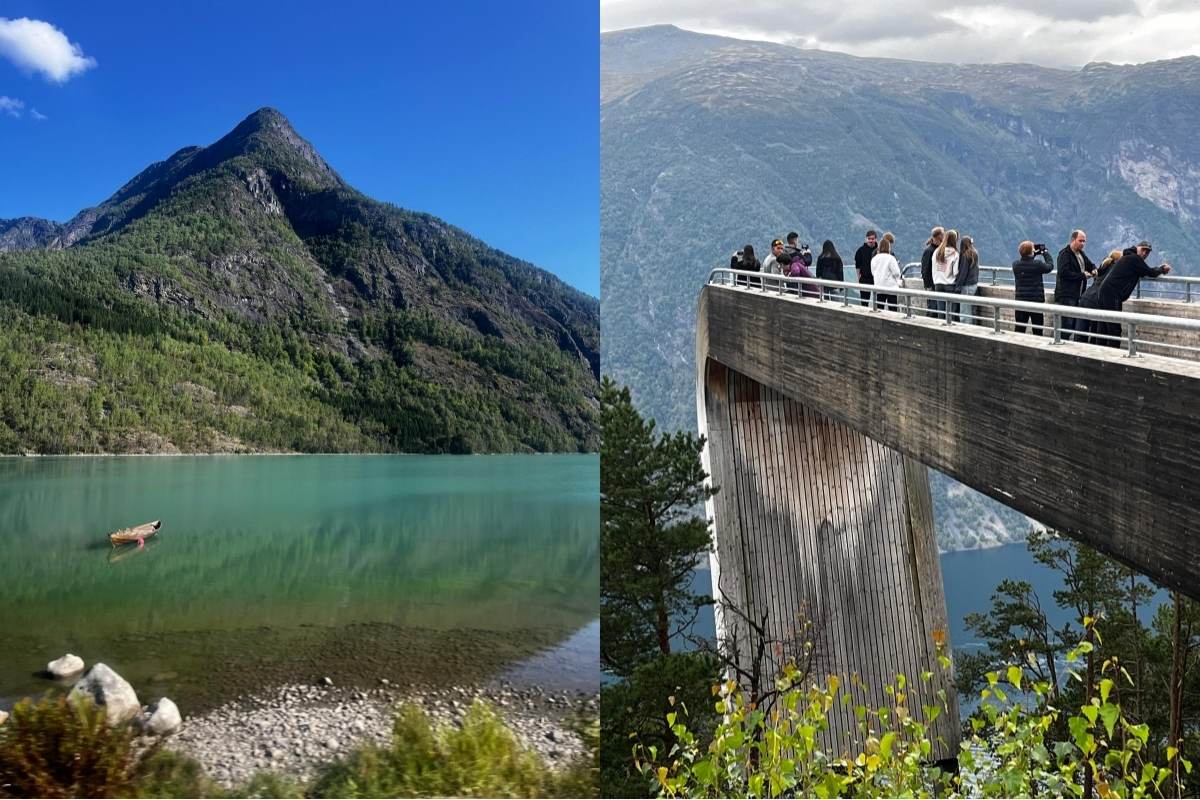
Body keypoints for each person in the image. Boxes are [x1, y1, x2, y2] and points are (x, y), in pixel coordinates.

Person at [1093, 241, 1172, 347]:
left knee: (1103, 326)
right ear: (1137, 248)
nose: (1144, 253)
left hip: (1103, 291)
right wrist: (1162, 269)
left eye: (1147, 252)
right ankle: (1112, 354)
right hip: (1112, 294)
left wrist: (1158, 269)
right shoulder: (1135, 259)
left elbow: (1145, 270)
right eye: (1143, 250)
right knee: (1114, 329)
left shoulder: (1129, 257)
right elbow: (1151, 273)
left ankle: (1100, 352)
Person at [1054, 230, 1097, 342]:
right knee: (1066, 324)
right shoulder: (1065, 254)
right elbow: (1064, 273)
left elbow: (1090, 264)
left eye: (1084, 241)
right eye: (1080, 241)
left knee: (1075, 324)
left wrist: (1093, 269)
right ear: (1073, 240)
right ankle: (1062, 343)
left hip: (1078, 294)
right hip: (1067, 294)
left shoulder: (1081, 254)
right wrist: (1082, 276)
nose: (1082, 243)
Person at [1011, 241, 1054, 335]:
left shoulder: (1015, 265)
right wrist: (1045, 253)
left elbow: (1027, 262)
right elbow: (1050, 266)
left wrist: (1032, 253)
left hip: (1021, 301)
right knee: (1037, 329)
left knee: (1020, 328)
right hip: (1035, 301)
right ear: (1031, 252)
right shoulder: (1037, 264)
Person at [931, 229, 960, 320]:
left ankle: (940, 326)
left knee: (941, 312)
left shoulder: (937, 252)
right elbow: (955, 272)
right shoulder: (955, 254)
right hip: (950, 284)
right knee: (951, 313)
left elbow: (933, 267)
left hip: (938, 283)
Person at [871, 237, 902, 311]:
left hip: (878, 286)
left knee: (879, 308)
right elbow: (896, 273)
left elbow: (873, 272)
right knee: (892, 309)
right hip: (890, 286)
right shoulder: (891, 258)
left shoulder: (874, 259)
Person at [955, 236, 980, 324]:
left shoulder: (965, 255)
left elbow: (963, 273)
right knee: (973, 310)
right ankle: (974, 326)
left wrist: (958, 286)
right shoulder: (975, 254)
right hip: (974, 285)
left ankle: (966, 328)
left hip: (966, 286)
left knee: (965, 312)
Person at [921, 227, 944, 316]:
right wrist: (928, 285)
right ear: (940, 236)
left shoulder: (936, 249)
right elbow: (925, 270)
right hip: (932, 285)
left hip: (936, 283)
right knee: (933, 309)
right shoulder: (930, 251)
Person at [855, 230, 878, 307]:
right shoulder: (860, 251)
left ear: (875, 239)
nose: (870, 241)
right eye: (869, 239)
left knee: (878, 301)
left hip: (876, 278)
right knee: (864, 301)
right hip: (864, 278)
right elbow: (857, 265)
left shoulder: (879, 250)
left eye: (872, 239)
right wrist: (858, 277)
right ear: (866, 239)